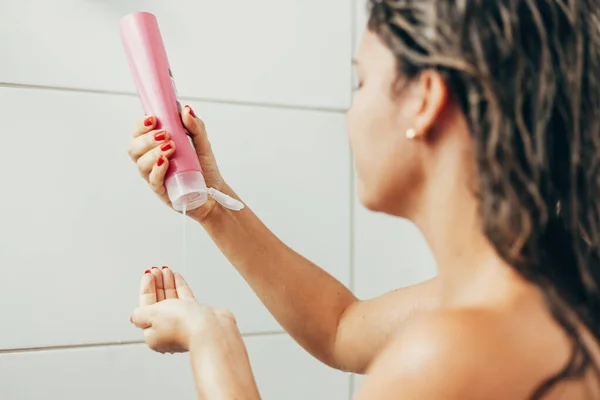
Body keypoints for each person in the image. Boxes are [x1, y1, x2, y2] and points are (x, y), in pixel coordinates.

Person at [126, 0, 600, 398]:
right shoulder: (554, 292)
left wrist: (214, 341)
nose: (351, 113)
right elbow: (340, 327)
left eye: (361, 82)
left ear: (425, 99)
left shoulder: (441, 358)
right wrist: (212, 204)